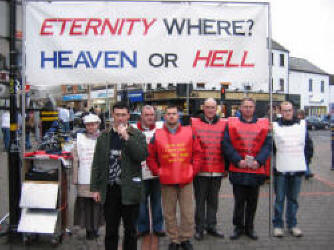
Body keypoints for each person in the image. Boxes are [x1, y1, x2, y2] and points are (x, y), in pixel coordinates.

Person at [90, 102, 147, 250]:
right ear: (112, 115)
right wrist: (95, 188)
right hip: (110, 190)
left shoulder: (137, 134)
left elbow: (141, 155)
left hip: (130, 189)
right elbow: (97, 163)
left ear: (128, 116)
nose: (120, 118)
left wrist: (127, 137)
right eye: (117, 115)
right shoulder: (104, 137)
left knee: (130, 230)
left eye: (123, 115)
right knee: (111, 230)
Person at [147, 105, 202, 250]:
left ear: (178, 116)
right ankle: (174, 240)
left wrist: (193, 171)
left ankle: (185, 238)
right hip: (167, 181)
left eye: (174, 114)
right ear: (165, 116)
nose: (171, 116)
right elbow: (150, 156)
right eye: (168, 114)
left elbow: (197, 153)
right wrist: (157, 171)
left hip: (186, 180)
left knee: (188, 213)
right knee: (169, 213)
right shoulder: (157, 134)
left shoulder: (189, 132)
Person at [223, 98, 271, 241]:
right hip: (239, 169)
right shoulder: (231, 124)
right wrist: (238, 161)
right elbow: (226, 144)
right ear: (240, 108)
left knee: (252, 202)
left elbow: (268, 145)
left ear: (254, 108)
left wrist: (259, 161)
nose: (248, 109)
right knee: (239, 202)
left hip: (255, 170)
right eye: (245, 106)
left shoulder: (263, 124)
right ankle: (238, 228)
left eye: (250, 107)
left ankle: (249, 227)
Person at [272, 101, 313, 237]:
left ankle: (292, 224)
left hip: (297, 169)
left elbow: (308, 146)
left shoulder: (301, 126)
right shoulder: (275, 126)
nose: (287, 112)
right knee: (279, 199)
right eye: (284, 110)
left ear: (293, 111)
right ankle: (278, 225)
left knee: (293, 199)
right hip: (281, 170)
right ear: (280, 111)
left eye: (289, 110)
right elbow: (271, 147)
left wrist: (304, 162)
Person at [191, 98, 226, 241]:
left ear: (216, 108)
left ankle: (211, 226)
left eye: (213, 107)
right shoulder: (194, 123)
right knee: (200, 201)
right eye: (208, 107)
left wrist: (227, 167)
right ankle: (199, 229)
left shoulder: (223, 124)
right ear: (203, 108)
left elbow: (227, 145)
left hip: (217, 169)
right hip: (200, 170)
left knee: (213, 201)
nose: (210, 110)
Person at [133, 105, 165, 237]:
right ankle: (142, 227)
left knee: (157, 201)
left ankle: (158, 227)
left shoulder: (161, 128)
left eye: (152, 115)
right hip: (140, 173)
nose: (150, 117)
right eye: (147, 115)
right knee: (141, 202)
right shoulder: (133, 129)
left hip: (156, 173)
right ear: (141, 116)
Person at [72, 113, 104, 240]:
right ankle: (88, 229)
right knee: (85, 205)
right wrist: (75, 178)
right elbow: (75, 158)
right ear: (85, 125)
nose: (91, 127)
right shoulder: (79, 139)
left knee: (97, 204)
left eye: (93, 124)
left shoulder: (103, 138)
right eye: (89, 124)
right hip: (84, 177)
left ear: (97, 125)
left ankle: (95, 228)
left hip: (98, 178)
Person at [296, 109, 314, 179]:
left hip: (306, 143)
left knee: (306, 159)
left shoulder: (304, 122)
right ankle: (307, 172)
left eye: (300, 115)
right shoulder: (297, 122)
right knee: (304, 159)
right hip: (302, 143)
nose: (299, 116)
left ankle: (307, 172)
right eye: (298, 115)